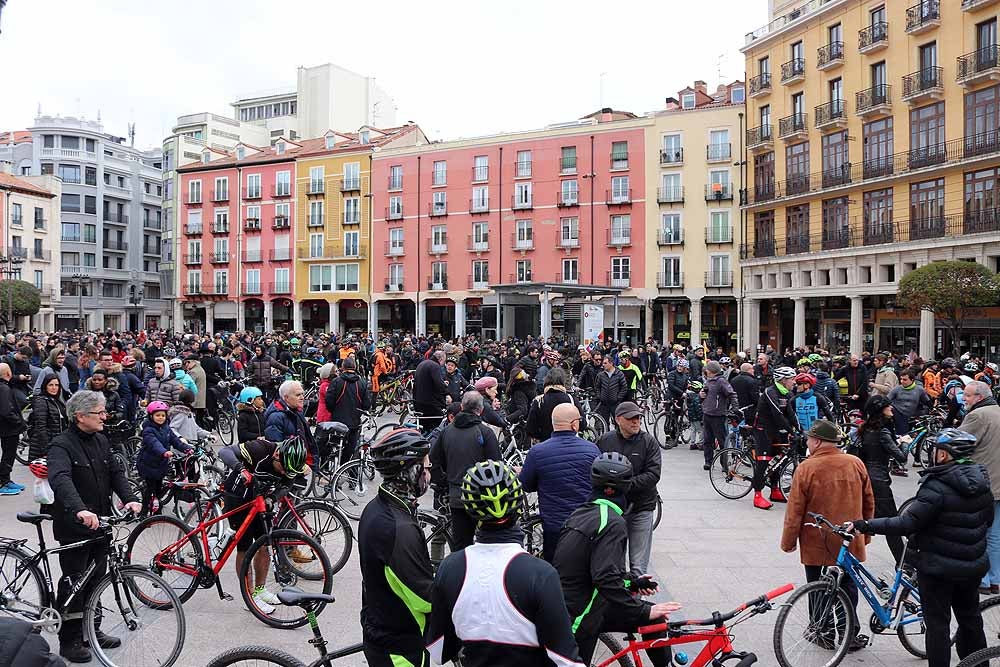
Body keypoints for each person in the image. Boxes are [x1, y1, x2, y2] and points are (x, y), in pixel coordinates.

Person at [850, 429, 993, 667]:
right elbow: (987, 520)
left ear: (946, 455)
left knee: (937, 625)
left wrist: (865, 525)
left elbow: (906, 523)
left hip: (938, 569)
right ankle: (979, 663)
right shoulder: (982, 482)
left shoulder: (937, 485)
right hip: (972, 566)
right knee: (971, 620)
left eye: (937, 449)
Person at [427, 460, 586, 667]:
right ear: (519, 506)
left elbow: (439, 652)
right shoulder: (541, 574)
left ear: (470, 511)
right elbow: (566, 660)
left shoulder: (450, 569)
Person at [554, 453, 681, 667]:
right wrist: (642, 610)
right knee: (653, 615)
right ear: (625, 488)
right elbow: (603, 578)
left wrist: (632, 583)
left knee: (656, 620)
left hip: (571, 604)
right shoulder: (612, 522)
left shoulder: (581, 513)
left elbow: (591, 569)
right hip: (581, 616)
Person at [46, 390, 142, 662]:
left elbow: (115, 473)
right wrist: (79, 510)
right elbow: (61, 479)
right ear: (80, 416)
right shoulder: (60, 445)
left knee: (97, 578)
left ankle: (92, 629)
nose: (104, 416)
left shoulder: (101, 439)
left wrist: (130, 499)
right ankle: (70, 639)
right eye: (99, 412)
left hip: (100, 523)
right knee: (74, 581)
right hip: (74, 525)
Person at [781, 419, 875, 653]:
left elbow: (795, 510)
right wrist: (866, 533)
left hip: (817, 539)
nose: (807, 442)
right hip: (849, 538)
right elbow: (869, 500)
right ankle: (848, 634)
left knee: (817, 586)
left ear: (818, 441)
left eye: (810, 439)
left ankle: (822, 632)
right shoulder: (855, 463)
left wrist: (788, 541)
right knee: (848, 587)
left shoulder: (807, 467)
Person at [359, 428, 434, 667]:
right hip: (400, 647)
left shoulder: (376, 506)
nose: (429, 471)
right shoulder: (399, 528)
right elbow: (424, 598)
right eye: (426, 465)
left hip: (379, 625)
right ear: (410, 471)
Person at [217, 435, 310, 615]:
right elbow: (224, 451)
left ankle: (260, 590)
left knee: (264, 545)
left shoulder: (290, 465)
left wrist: (273, 498)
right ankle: (249, 595)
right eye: (282, 468)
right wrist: (241, 469)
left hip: (260, 500)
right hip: (237, 497)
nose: (283, 473)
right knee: (245, 548)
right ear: (277, 455)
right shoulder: (260, 449)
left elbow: (287, 485)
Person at [519, 402, 600, 561]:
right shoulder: (592, 450)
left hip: (554, 527)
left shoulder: (537, 452)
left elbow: (526, 485)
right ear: (574, 424)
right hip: (585, 525)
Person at [428, 391, 502, 549]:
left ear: (461, 407)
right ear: (481, 410)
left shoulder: (447, 432)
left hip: (457, 497)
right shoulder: (485, 433)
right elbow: (497, 467)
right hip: (483, 499)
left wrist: (443, 482)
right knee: (485, 544)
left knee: (460, 545)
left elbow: (433, 461)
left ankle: (460, 571)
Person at [595, 401, 661, 574]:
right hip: (614, 510)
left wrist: (624, 484)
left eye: (638, 418)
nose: (636, 422)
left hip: (642, 508)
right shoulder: (605, 440)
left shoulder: (649, 442)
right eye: (631, 418)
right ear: (618, 420)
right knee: (615, 563)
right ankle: (620, 600)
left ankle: (637, 599)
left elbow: (653, 475)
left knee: (638, 566)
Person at [856, 395, 908, 567]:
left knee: (861, 521)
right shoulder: (884, 432)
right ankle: (903, 563)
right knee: (891, 525)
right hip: (879, 482)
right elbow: (901, 457)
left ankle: (846, 557)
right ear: (880, 411)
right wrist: (904, 443)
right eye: (888, 407)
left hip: (864, 479)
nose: (891, 409)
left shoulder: (864, 429)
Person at [963, 380, 1000, 594]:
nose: (964, 399)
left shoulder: (977, 416)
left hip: (983, 483)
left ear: (979, 397)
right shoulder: (997, 411)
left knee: (979, 533)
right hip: (997, 484)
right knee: (995, 534)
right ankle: (994, 578)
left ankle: (983, 579)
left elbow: (959, 443)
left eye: (967, 396)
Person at [751, 366, 798, 510]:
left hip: (777, 430)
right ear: (783, 380)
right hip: (763, 430)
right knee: (763, 462)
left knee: (780, 460)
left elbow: (790, 414)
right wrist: (791, 430)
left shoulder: (787, 394)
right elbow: (777, 414)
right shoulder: (770, 392)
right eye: (791, 379)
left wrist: (799, 430)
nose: (794, 382)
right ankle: (757, 495)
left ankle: (774, 489)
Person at [136, 401, 192, 516]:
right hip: (148, 464)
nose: (161, 418)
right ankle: (143, 513)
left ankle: (157, 511)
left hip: (161, 464)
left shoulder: (166, 428)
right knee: (150, 489)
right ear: (151, 416)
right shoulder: (148, 430)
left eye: (163, 415)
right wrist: (164, 452)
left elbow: (175, 440)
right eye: (157, 415)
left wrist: (186, 448)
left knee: (158, 488)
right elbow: (153, 443)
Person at [325, 356, 372, 466]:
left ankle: (329, 466)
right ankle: (347, 467)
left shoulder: (336, 381)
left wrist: (334, 411)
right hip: (354, 422)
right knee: (351, 448)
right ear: (355, 367)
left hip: (337, 421)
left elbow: (329, 401)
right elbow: (367, 404)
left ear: (342, 367)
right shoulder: (362, 382)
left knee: (331, 444)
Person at [525, 367, 585, 443]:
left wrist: (541, 436)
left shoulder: (539, 401)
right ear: (563, 381)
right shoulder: (571, 399)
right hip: (569, 444)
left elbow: (530, 429)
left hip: (546, 445)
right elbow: (582, 425)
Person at [701, 360, 736, 471]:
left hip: (718, 415)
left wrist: (735, 408)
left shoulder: (721, 381)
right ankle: (708, 461)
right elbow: (704, 396)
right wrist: (701, 396)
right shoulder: (708, 381)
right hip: (707, 413)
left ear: (711, 370)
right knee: (707, 440)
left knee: (722, 441)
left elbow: (732, 394)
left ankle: (724, 464)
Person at [263, 380, 315, 457]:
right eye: (298, 395)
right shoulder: (276, 417)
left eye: (302, 394)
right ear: (286, 397)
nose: (302, 397)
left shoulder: (296, 410)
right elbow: (276, 451)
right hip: (293, 464)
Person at [27, 369, 68, 461]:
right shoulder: (41, 401)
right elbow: (41, 427)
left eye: (56, 385)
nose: (54, 388)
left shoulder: (57, 401)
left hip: (57, 444)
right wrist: (46, 449)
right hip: (46, 446)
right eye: (51, 385)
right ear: (45, 386)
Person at [413, 351, 450, 434]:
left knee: (425, 423)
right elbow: (439, 384)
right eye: (444, 361)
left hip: (418, 400)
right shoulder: (435, 366)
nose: (444, 364)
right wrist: (447, 393)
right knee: (439, 419)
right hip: (429, 402)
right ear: (440, 359)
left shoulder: (423, 363)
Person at [888, 368, 932, 437]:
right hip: (897, 412)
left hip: (910, 415)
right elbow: (886, 400)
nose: (902, 381)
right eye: (901, 379)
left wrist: (933, 409)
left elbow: (927, 401)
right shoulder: (897, 389)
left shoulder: (919, 390)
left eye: (905, 379)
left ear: (912, 380)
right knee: (903, 434)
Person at [594, 356, 626, 422]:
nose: (603, 365)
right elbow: (597, 387)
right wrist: (599, 397)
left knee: (618, 422)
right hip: (604, 404)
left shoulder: (619, 374)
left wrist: (618, 398)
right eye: (603, 363)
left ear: (611, 363)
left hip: (615, 404)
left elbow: (624, 387)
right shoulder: (601, 375)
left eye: (605, 363)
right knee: (604, 423)